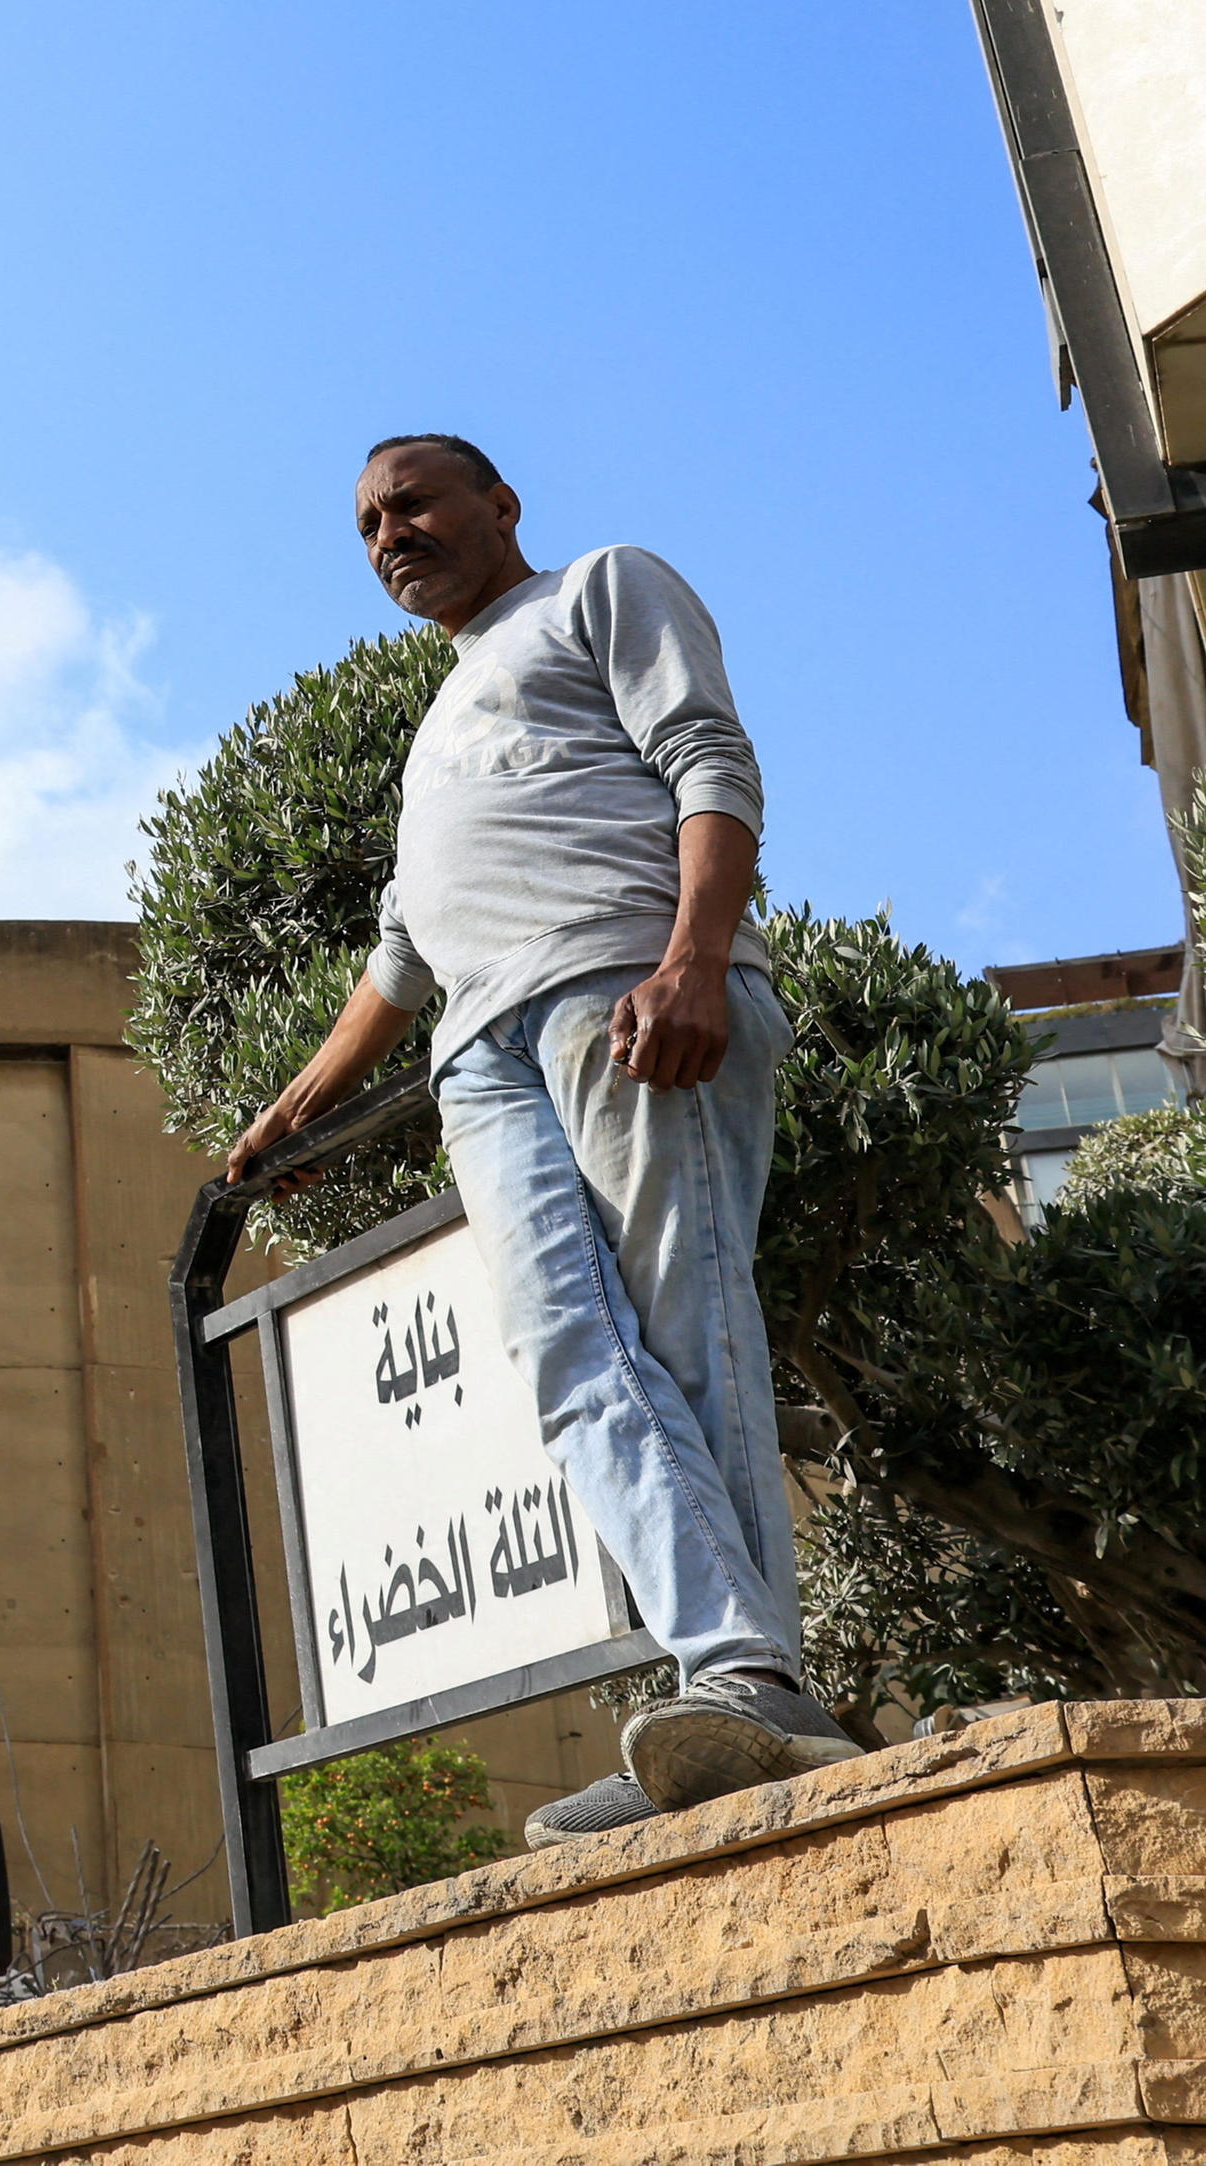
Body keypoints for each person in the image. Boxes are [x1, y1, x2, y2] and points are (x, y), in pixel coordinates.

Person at [228, 435, 849, 1846]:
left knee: (690, 1328)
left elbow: (709, 759)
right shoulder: (439, 721)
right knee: (572, 1360)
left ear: (499, 505)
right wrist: (301, 1103)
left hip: (627, 994)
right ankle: (732, 1678)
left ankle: (752, 1680)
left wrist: (695, 958)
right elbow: (404, 948)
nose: (393, 532)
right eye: (370, 522)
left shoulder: (600, 590)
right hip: (479, 1058)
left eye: (415, 501)